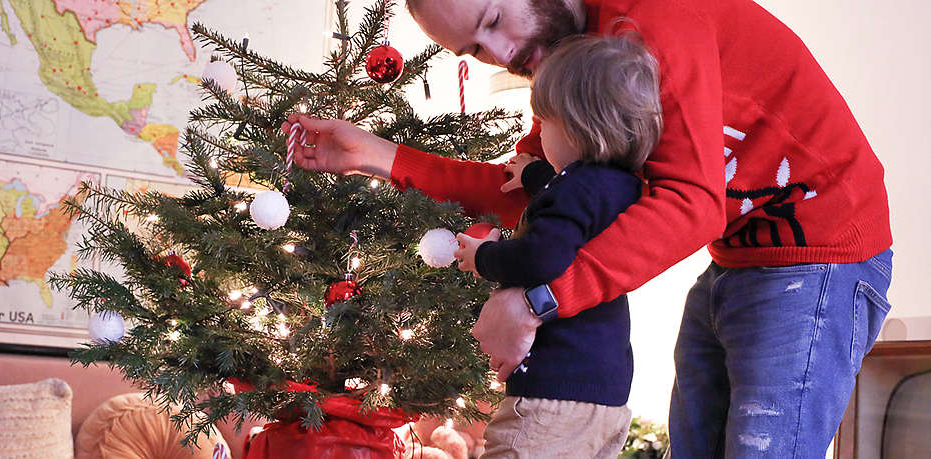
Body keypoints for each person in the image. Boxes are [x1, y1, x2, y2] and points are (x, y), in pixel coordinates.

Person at [282, 0, 893, 456]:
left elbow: (690, 201)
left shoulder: (650, 20)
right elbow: (540, 195)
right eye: (472, 50)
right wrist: (374, 155)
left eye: (494, 20)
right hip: (737, 261)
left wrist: (538, 300)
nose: (498, 54)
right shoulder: (576, 59)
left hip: (820, 253)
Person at [449, 35, 660, 458]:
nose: (539, 133)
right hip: (606, 395)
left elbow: (541, 256)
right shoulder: (623, 187)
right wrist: (536, 176)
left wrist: (483, 257)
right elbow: (575, 212)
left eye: (544, 124)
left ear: (577, 128)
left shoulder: (574, 190)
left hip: (551, 391)